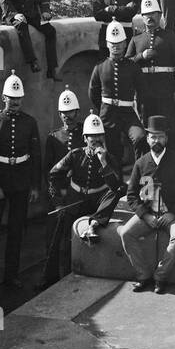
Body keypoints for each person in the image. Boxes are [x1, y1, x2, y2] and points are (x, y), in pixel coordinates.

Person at [0, 71, 42, 291]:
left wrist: (34, 186)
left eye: (18, 99)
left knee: (16, 230)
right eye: (11, 98)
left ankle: (11, 276)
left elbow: (36, 156)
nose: (15, 103)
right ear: (3, 98)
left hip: (21, 184)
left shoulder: (29, 123)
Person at [42, 113, 122, 291]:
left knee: (113, 193)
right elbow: (53, 174)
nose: (95, 140)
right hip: (75, 200)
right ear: (85, 138)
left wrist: (103, 162)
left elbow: (117, 186)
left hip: (97, 202)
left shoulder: (110, 159)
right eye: (91, 136)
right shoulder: (75, 155)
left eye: (99, 135)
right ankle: (55, 280)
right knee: (62, 239)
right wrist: (59, 200)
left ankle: (94, 224)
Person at [118, 116, 175, 294]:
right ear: (147, 138)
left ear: (166, 138)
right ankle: (144, 275)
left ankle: (160, 277)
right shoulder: (141, 163)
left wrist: (173, 213)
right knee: (126, 234)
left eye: (160, 136)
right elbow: (131, 196)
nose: (156, 140)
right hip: (149, 214)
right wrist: (145, 215)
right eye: (153, 137)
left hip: (174, 216)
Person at [128, 0, 175, 151]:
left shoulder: (171, 38)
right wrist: (141, 56)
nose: (149, 17)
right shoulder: (136, 40)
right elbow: (127, 64)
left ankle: (171, 161)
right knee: (146, 126)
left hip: (166, 91)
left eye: (153, 14)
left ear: (159, 15)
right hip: (145, 92)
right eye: (146, 14)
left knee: (168, 125)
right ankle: (147, 161)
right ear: (142, 17)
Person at [89, 20, 145, 165]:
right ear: (107, 44)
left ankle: (138, 175)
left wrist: (140, 111)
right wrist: (103, 108)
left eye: (119, 43)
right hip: (108, 114)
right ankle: (117, 182)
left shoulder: (132, 67)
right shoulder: (99, 67)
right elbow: (93, 93)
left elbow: (142, 91)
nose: (116, 47)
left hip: (128, 112)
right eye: (113, 43)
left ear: (125, 43)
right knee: (112, 150)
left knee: (139, 137)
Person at [44, 86, 85, 181]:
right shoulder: (53, 137)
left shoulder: (85, 133)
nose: (67, 116)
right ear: (59, 114)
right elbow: (48, 168)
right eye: (64, 113)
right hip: (60, 186)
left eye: (70, 112)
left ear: (77, 112)